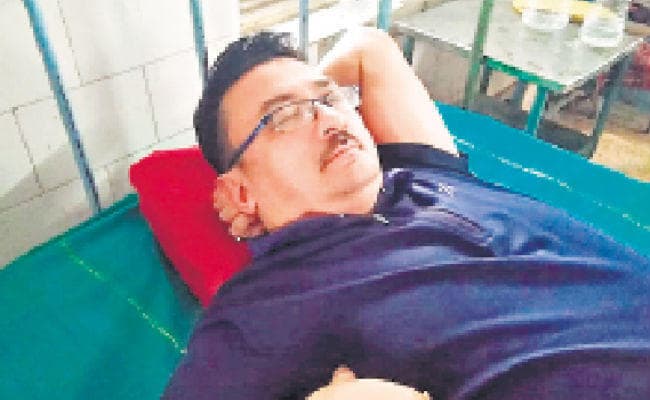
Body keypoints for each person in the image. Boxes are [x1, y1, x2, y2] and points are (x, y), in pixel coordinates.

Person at [163, 28, 650, 399]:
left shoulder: (419, 170)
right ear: (240, 194)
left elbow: (370, 47)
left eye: (329, 98)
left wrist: (308, 99)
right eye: (284, 116)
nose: (329, 117)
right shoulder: (271, 303)